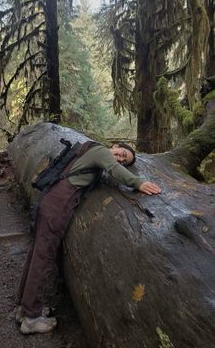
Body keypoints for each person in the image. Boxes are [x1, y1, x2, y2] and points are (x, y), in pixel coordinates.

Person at [16, 141, 161, 334]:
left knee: (37, 253)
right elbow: (113, 169)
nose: (119, 158)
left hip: (51, 201)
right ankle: (31, 319)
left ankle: (24, 308)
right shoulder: (100, 150)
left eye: (124, 160)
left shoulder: (88, 150)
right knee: (44, 257)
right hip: (57, 206)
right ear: (115, 145)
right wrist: (139, 183)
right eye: (121, 153)